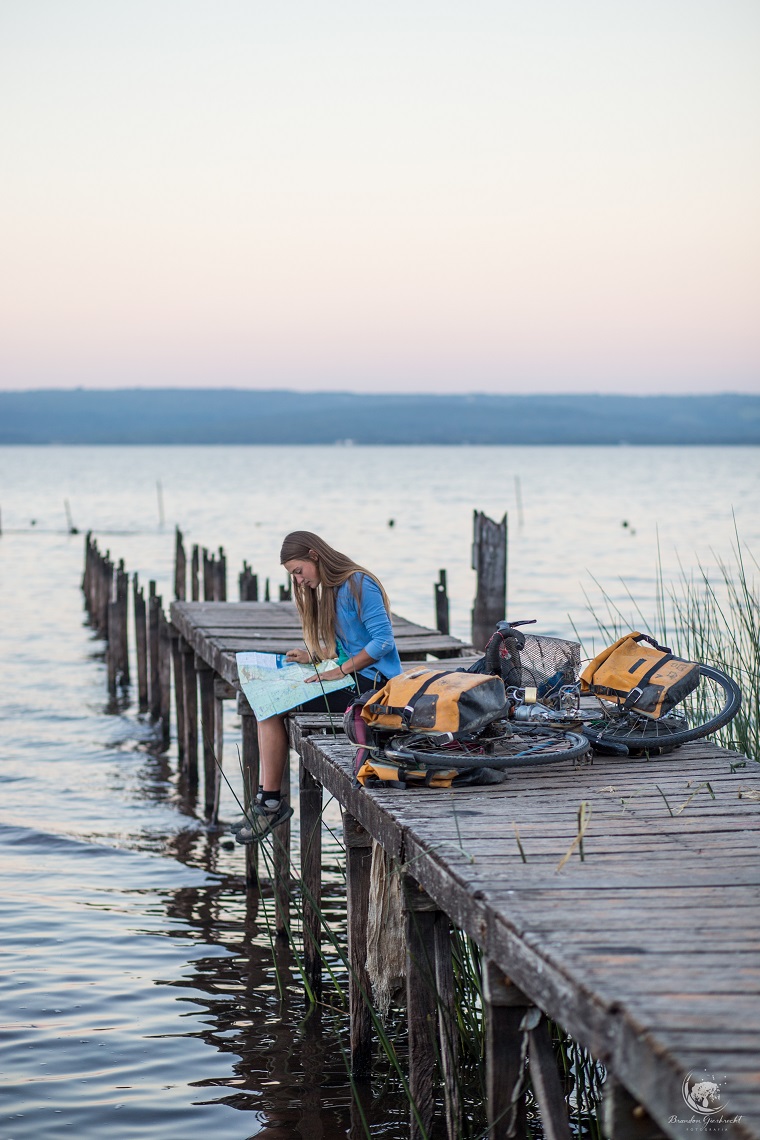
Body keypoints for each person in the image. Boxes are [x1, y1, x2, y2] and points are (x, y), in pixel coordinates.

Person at [234, 531, 403, 843]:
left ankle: (270, 803)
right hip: (355, 678)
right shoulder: (334, 590)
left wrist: (336, 671)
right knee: (264, 691)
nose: (298, 581)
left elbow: (382, 642)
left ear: (315, 555)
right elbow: (352, 647)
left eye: (298, 572)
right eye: (293, 577)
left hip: (373, 688)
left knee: (270, 703)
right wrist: (316, 657)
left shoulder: (358, 584)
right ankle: (266, 800)